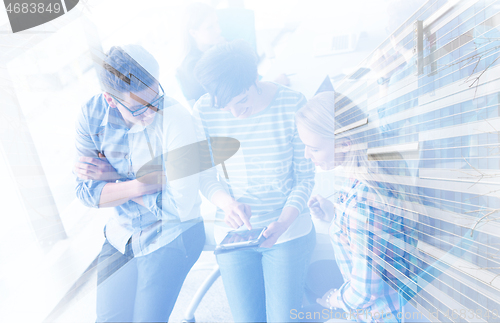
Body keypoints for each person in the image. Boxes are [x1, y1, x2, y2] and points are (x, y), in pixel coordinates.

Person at [73, 45, 205, 322]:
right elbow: (85, 191)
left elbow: (178, 206)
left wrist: (111, 180)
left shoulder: (176, 120)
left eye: (155, 99)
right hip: (122, 234)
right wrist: (140, 185)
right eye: (138, 108)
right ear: (110, 100)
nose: (151, 113)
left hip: (173, 233)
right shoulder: (91, 115)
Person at [193, 40, 316, 322]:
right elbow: (205, 175)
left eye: (242, 103)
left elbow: (305, 177)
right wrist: (227, 204)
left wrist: (283, 222)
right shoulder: (203, 111)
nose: (235, 114)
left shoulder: (291, 103)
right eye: (225, 107)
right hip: (235, 232)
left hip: (288, 228)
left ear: (254, 80)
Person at [296, 91, 414, 322]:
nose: (306, 154)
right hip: (404, 292)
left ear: (345, 145)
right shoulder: (383, 162)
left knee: (303, 306)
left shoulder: (363, 201)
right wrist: (336, 216)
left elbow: (364, 291)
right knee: (312, 277)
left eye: (314, 148)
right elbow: (378, 233)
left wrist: (334, 299)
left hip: (380, 313)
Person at [176, 2, 225, 106]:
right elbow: (224, 93)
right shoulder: (193, 65)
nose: (219, 30)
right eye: (210, 27)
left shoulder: (215, 45)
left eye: (217, 23)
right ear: (194, 33)